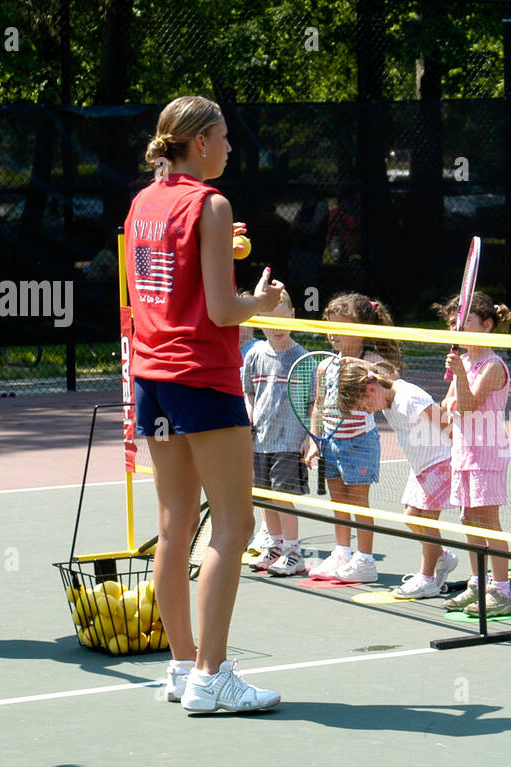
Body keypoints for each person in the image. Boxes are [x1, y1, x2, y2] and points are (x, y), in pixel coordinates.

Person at [125, 95, 286, 714]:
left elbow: (178, 283)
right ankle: (211, 676)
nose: (228, 148)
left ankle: (182, 666)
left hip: (153, 376)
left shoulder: (144, 201)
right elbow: (223, 311)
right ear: (198, 143)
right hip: (202, 377)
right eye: (221, 138)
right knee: (234, 527)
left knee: (174, 527)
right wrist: (263, 303)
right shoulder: (211, 205)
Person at [335, 359, 459, 599]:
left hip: (441, 462)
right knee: (412, 516)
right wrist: (355, 363)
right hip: (422, 466)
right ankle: (443, 558)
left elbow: (444, 421)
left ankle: (427, 579)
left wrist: (463, 451)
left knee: (428, 520)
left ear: (370, 390)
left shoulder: (408, 398)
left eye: (365, 405)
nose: (368, 410)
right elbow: (379, 372)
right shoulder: (384, 394)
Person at [305, 294, 403, 583]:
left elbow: (392, 380)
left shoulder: (370, 360)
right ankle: (342, 553)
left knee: (358, 502)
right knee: (338, 500)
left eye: (340, 326)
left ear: (361, 330)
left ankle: (365, 560)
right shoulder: (325, 365)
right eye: (329, 325)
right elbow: (319, 405)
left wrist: (364, 369)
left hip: (360, 443)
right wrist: (315, 440)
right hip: (332, 444)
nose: (332, 333)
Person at [440, 291, 511, 617]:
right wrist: (457, 382)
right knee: (468, 519)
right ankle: (477, 583)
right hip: (463, 451)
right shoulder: (466, 362)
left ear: (486, 325)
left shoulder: (493, 365)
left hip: (487, 453)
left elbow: (467, 406)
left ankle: (502, 591)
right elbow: (446, 407)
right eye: (454, 323)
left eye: (465, 321)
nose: (457, 328)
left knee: (488, 521)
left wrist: (459, 379)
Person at [240, 288, 308, 577]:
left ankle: (293, 551)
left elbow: (312, 402)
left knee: (282, 496)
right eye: (269, 320)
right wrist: (249, 416)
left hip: (289, 442)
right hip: (260, 440)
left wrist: (308, 438)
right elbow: (249, 393)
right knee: (264, 495)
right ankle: (276, 546)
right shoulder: (255, 354)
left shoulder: (303, 358)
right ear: (258, 321)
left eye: (282, 320)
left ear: (293, 317)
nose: (277, 327)